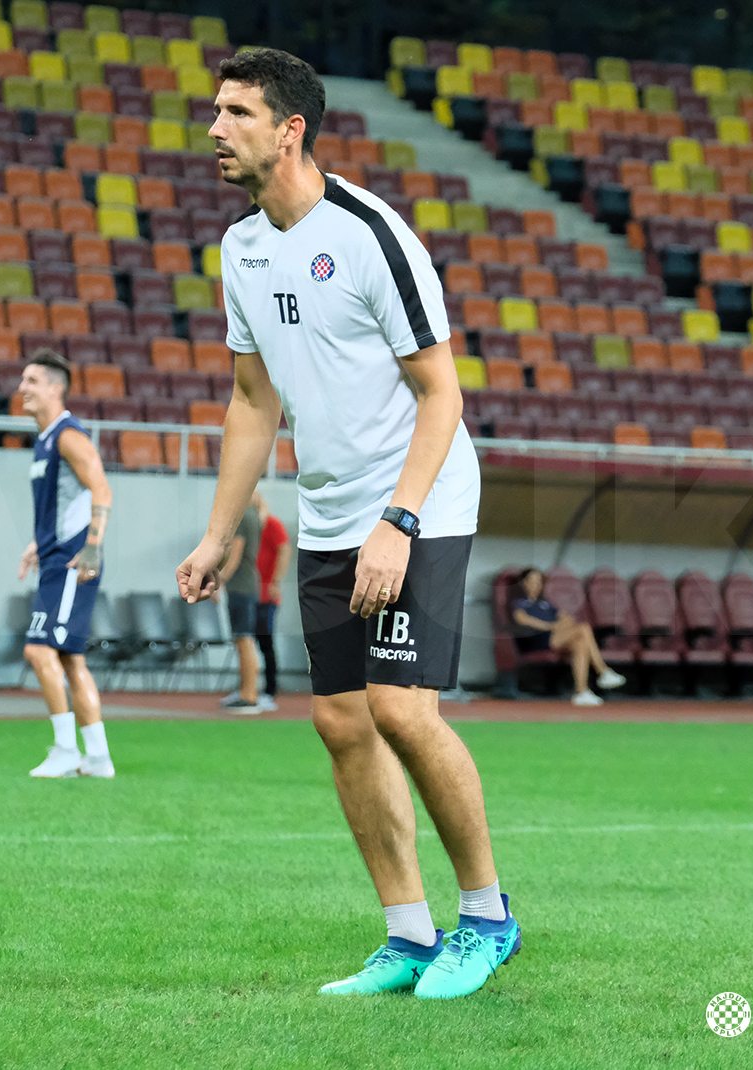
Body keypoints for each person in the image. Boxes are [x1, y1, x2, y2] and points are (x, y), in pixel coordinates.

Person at [176, 48, 518, 1001]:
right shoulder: (241, 249)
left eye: (236, 112)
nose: (214, 129)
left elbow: (441, 394)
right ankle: (408, 935)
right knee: (339, 722)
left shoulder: (373, 234)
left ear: (289, 129)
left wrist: (398, 522)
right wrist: (220, 529)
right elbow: (252, 400)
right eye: (215, 111)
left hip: (424, 496)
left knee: (403, 708)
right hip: (329, 512)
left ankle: (488, 919)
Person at [16, 350, 117, 779]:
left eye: (32, 380)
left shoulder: (68, 435)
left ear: (56, 389)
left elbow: (102, 490)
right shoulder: (43, 439)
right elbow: (61, 505)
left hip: (74, 562)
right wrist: (37, 544)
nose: (23, 387)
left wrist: (92, 546)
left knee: (39, 650)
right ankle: (97, 758)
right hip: (55, 557)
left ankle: (64, 749)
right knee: (72, 661)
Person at [511, 568, 626, 706]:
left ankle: (581, 692)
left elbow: (567, 619)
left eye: (538, 581)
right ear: (524, 583)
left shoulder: (545, 603)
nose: (536, 585)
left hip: (554, 636)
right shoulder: (518, 602)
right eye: (532, 581)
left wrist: (558, 625)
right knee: (583, 628)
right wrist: (549, 626)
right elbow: (523, 619)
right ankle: (602, 671)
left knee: (580, 644)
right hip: (536, 638)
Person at [216, 497, 263, 713]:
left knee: (242, 639)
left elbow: (235, 554)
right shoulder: (254, 514)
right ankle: (248, 691)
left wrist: (219, 582)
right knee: (245, 639)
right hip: (250, 583)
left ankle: (248, 693)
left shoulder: (242, 515)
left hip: (240, 586)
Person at [254, 491, 290, 710]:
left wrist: (276, 581)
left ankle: (270, 689)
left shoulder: (272, 524)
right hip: (251, 593)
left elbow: (284, 549)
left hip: (266, 595)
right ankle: (249, 687)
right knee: (248, 641)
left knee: (266, 642)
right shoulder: (247, 525)